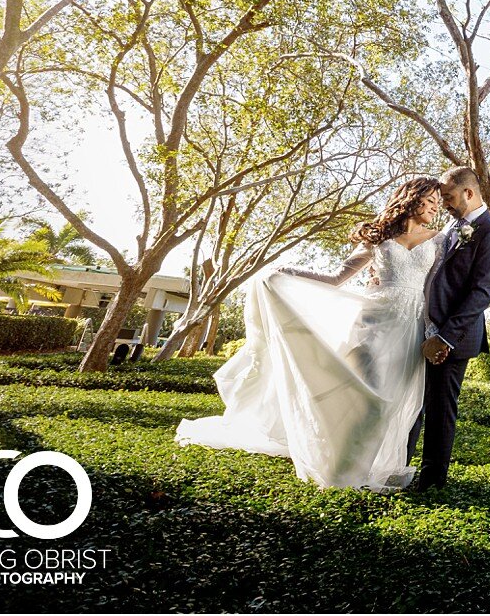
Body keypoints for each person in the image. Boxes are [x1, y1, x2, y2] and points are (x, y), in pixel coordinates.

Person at [175, 176, 445, 490]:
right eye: (432, 199)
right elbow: (337, 278)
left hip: (412, 327)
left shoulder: (440, 239)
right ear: (413, 198)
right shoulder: (379, 236)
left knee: (392, 404)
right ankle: (342, 473)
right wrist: (285, 272)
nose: (436, 207)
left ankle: (368, 470)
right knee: (366, 398)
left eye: (439, 201)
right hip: (374, 322)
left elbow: (440, 288)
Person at [414, 165, 490, 488]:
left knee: (440, 409)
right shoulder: (455, 228)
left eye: (450, 198)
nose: (445, 204)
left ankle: (431, 481)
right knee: (414, 402)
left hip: (453, 337)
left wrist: (444, 338)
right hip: (426, 328)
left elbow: (480, 294)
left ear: (468, 193)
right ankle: (399, 464)